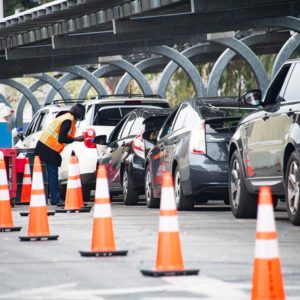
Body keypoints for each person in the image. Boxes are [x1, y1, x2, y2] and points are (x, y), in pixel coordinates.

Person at [35, 104, 86, 205]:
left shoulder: (66, 117)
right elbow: (61, 138)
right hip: (48, 147)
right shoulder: (68, 120)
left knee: (52, 172)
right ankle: (55, 199)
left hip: (46, 146)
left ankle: (54, 197)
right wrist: (77, 139)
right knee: (53, 174)